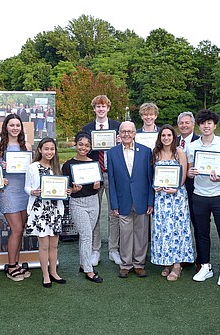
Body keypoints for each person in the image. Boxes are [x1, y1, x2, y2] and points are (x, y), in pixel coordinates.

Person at [186, 110, 220, 286]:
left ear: (215, 125)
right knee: (201, 233)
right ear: (198, 126)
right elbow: (189, 171)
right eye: (203, 123)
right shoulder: (192, 146)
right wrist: (190, 173)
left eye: (209, 123)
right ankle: (205, 266)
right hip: (199, 195)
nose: (206, 126)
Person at [107, 121, 154, 278]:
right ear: (119, 134)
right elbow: (111, 180)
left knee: (141, 233)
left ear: (135, 133)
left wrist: (150, 201)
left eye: (130, 131)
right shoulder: (112, 153)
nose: (126, 134)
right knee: (125, 233)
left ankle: (139, 264)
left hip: (141, 200)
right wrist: (114, 203)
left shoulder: (146, 152)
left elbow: (150, 179)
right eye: (123, 131)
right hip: (122, 200)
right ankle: (125, 264)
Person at [0, 113, 33, 281]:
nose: (15, 128)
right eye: (11, 125)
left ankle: (16, 262)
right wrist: (1, 170)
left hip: (24, 191)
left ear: (21, 128)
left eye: (18, 125)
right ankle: (11, 266)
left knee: (20, 229)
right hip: (7, 192)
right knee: (16, 229)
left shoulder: (27, 146)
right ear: (5, 127)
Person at [150, 125, 194, 281]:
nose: (166, 138)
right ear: (160, 137)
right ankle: (166, 262)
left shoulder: (179, 152)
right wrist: (156, 186)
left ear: (173, 137)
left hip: (177, 197)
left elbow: (183, 174)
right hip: (161, 198)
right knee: (163, 229)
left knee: (177, 229)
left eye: (169, 135)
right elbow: (153, 174)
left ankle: (177, 265)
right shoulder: (155, 153)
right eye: (163, 135)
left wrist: (176, 188)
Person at [82, 95, 122, 266]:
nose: (101, 109)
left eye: (103, 106)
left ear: (108, 108)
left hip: (113, 174)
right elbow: (82, 150)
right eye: (98, 106)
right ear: (94, 109)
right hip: (94, 175)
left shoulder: (117, 127)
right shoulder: (87, 128)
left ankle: (114, 249)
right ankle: (95, 250)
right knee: (94, 213)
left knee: (115, 212)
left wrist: (121, 142)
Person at [24, 138, 70, 288]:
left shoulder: (57, 167)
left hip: (55, 210)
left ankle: (54, 272)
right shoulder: (32, 167)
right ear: (39, 150)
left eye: (52, 149)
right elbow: (27, 187)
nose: (49, 152)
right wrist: (33, 191)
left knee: (54, 245)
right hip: (40, 210)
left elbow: (61, 188)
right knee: (44, 245)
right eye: (46, 149)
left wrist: (66, 191)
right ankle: (45, 275)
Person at [61, 132, 103, 283]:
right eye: (80, 144)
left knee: (87, 234)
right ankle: (89, 270)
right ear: (75, 145)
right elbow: (66, 190)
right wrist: (73, 190)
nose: (83, 148)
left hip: (93, 202)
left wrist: (98, 185)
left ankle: (82, 263)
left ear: (90, 147)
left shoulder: (94, 163)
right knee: (86, 236)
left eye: (87, 145)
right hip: (78, 203)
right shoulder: (68, 165)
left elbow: (99, 184)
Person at [177, 111, 200, 253]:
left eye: (187, 122)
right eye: (181, 123)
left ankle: (200, 258)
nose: (184, 125)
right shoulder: (173, 141)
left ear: (193, 124)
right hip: (176, 190)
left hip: (195, 189)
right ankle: (181, 254)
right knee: (179, 224)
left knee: (197, 223)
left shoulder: (200, 141)